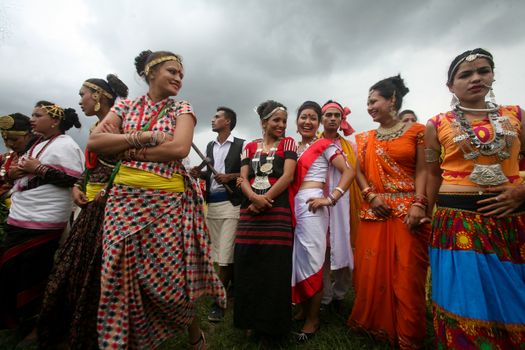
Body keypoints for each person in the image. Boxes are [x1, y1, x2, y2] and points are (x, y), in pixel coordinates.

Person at [87, 50, 225, 350]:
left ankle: (193, 332)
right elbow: (96, 142)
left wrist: (125, 148)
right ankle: (124, 339)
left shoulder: (182, 108)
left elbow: (178, 149)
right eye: (172, 72)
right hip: (123, 202)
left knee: (168, 279)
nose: (178, 78)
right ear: (151, 73)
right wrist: (145, 137)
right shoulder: (124, 107)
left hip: (166, 202)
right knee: (117, 275)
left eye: (181, 74)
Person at [425, 48, 525, 348]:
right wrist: (422, 209)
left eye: (483, 70)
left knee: (513, 294)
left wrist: (522, 191)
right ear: (451, 86)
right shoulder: (436, 123)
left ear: (493, 75)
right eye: (465, 74)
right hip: (456, 222)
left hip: (510, 217)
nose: (476, 78)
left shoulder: (515, 115)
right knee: (465, 298)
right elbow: (431, 174)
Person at [37, 74, 128, 349]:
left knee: (104, 270)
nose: (80, 101)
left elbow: (130, 165)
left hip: (114, 209)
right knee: (73, 264)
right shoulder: (95, 127)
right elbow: (90, 168)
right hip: (90, 206)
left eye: (83, 94)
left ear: (98, 95)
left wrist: (107, 192)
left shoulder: (121, 124)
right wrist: (78, 185)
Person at [348, 75, 430, 349]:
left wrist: (420, 202)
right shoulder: (364, 138)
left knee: (407, 274)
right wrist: (370, 196)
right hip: (376, 210)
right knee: (371, 272)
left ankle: (408, 335)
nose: (369, 107)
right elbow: (357, 171)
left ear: (392, 99)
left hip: (409, 212)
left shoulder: (418, 131)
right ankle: (374, 326)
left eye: (373, 101)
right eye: (367, 103)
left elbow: (423, 169)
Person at [0, 102, 83, 330]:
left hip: (43, 220)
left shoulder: (66, 145)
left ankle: (37, 324)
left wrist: (37, 169)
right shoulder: (37, 144)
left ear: (54, 120)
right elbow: (23, 172)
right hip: (20, 215)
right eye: (32, 114)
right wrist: (16, 172)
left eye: (38, 115)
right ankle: (18, 321)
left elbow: (73, 180)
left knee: (33, 273)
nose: (32, 119)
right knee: (11, 268)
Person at [290, 101, 355, 341]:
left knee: (314, 262)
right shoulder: (291, 147)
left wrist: (331, 198)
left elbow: (349, 171)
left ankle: (313, 319)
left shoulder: (325, 145)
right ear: (296, 121)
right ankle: (304, 309)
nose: (307, 121)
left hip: (313, 205)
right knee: (298, 261)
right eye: (303, 117)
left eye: (312, 118)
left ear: (317, 123)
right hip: (292, 206)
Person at [234, 100, 297, 341]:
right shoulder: (249, 146)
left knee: (275, 268)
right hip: (250, 211)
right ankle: (250, 320)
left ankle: (273, 325)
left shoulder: (288, 143)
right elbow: (243, 178)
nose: (281, 125)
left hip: (276, 211)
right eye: (276, 120)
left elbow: (288, 176)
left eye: (284, 120)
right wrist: (252, 197)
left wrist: (265, 199)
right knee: (248, 263)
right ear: (263, 122)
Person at [190, 107, 245, 322]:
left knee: (226, 255)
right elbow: (211, 175)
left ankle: (219, 303)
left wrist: (230, 176)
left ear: (228, 121)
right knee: (219, 253)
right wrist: (200, 174)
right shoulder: (210, 146)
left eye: (217, 117)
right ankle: (230, 288)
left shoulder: (241, 145)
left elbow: (246, 172)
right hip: (213, 204)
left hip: (232, 204)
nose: (212, 120)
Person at [318, 100, 361, 312]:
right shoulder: (312, 144)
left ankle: (340, 294)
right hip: (319, 203)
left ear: (342, 119)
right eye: (328, 115)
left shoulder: (350, 147)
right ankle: (325, 298)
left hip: (344, 203)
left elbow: (356, 174)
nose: (332, 119)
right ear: (321, 119)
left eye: (337, 115)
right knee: (322, 253)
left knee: (344, 247)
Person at [0, 113, 37, 241]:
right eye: (5, 140)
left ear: (30, 135)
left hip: (31, 219)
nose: (9, 144)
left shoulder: (37, 158)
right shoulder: (5, 158)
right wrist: (8, 177)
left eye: (15, 140)